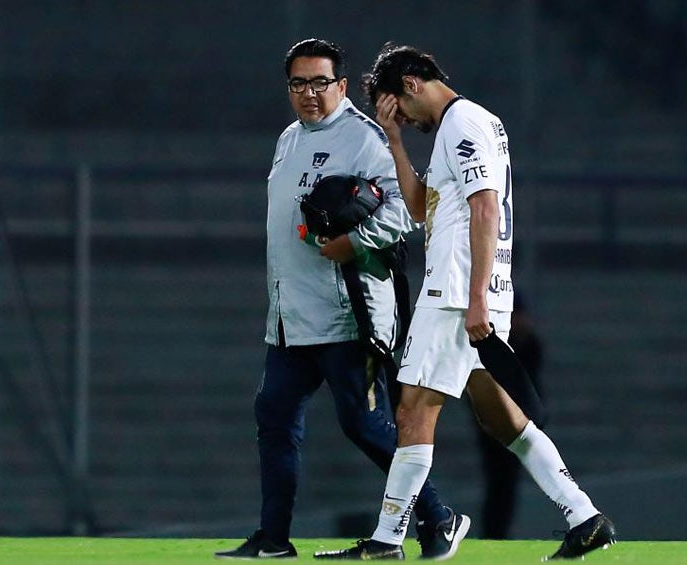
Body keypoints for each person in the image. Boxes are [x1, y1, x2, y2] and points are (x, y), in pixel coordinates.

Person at [315, 44, 616, 561]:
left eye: (398, 108)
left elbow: (485, 208)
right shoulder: (466, 126)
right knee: (504, 420)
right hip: (471, 292)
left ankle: (388, 540)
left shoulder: (463, 122)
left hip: (456, 294)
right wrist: (392, 138)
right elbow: (418, 208)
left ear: (411, 84)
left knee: (411, 409)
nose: (404, 118)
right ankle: (585, 517)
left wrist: (475, 297)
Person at [215, 38, 467, 560]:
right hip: (289, 317)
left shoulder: (364, 138)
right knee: (274, 417)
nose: (310, 93)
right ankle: (274, 539)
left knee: (364, 422)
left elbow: (406, 213)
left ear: (342, 86)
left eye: (320, 82)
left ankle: (436, 517)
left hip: (346, 314)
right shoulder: (289, 138)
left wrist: (352, 242)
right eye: (299, 83)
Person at [472, 293, 545, 540]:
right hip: (496, 421)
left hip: (520, 416)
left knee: (506, 482)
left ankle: (498, 532)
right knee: (499, 481)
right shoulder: (500, 344)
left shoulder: (530, 345)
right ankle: (495, 532)